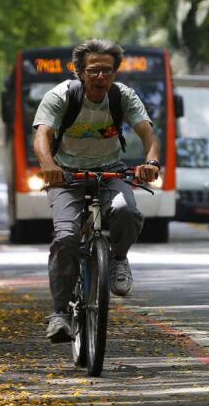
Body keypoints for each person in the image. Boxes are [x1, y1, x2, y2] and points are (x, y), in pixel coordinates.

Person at [32, 38, 160, 343]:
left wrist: (152, 162)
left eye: (107, 70)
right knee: (66, 237)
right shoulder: (61, 95)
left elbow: (147, 134)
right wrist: (49, 166)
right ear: (80, 72)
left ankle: (118, 259)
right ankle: (60, 313)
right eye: (93, 70)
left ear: (115, 73)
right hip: (65, 175)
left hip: (110, 169)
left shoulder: (123, 97)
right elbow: (42, 135)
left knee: (126, 211)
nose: (101, 76)